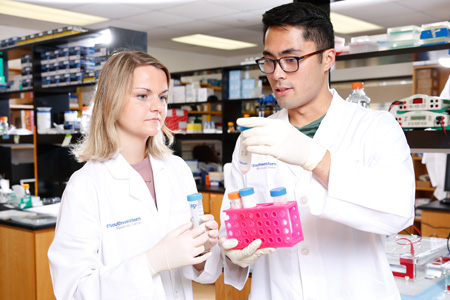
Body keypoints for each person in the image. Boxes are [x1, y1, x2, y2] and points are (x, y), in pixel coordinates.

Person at [218, 3, 415, 300]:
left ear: (328, 59)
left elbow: (398, 212)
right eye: (269, 61)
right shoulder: (254, 138)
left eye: (291, 60)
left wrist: (317, 159)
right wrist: (233, 253)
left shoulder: (375, 127)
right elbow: (234, 221)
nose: (277, 74)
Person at [48, 51, 222, 299]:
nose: (157, 107)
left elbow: (201, 273)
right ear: (112, 101)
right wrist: (151, 262)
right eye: (142, 95)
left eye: (162, 97)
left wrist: (202, 251)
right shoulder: (86, 185)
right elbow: (74, 289)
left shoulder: (176, 169)